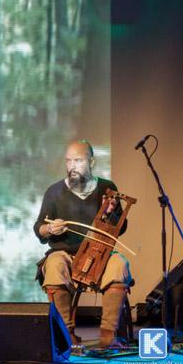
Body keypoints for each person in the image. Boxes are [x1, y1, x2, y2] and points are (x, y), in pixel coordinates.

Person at [33, 140, 132, 347]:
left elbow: (120, 228)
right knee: (54, 265)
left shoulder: (107, 188)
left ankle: (108, 336)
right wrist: (50, 229)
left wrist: (111, 214)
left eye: (78, 160)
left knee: (119, 265)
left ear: (92, 161)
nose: (72, 166)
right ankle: (66, 336)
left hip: (99, 255)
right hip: (65, 254)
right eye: (68, 161)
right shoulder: (54, 191)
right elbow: (39, 228)